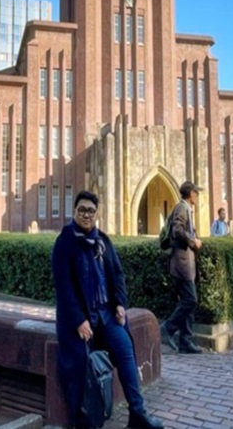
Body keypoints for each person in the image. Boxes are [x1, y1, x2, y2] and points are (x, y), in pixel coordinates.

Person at [52, 190, 163, 429]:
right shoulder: (65, 242)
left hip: (107, 314)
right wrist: (78, 320)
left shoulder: (103, 241)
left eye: (91, 211)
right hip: (81, 319)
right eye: (82, 210)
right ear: (74, 212)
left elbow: (117, 275)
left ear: (96, 213)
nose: (86, 215)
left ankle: (137, 412)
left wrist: (120, 304)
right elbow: (64, 285)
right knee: (80, 362)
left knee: (125, 350)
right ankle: (84, 421)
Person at [159, 181, 203, 354]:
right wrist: (193, 241)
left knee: (188, 302)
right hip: (181, 263)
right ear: (190, 193)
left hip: (186, 263)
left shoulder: (187, 210)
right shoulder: (182, 208)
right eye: (196, 193)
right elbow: (177, 230)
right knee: (190, 300)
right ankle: (167, 329)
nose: (197, 196)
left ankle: (185, 340)